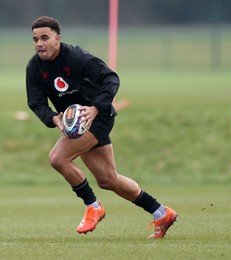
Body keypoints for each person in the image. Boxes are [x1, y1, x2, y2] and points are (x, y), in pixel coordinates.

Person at [26, 16, 178, 238]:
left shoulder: (77, 57)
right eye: (35, 39)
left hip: (99, 116)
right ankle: (161, 213)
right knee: (108, 179)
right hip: (76, 124)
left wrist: (96, 108)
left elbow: (111, 79)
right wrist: (54, 119)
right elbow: (36, 102)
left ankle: (93, 207)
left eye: (45, 38)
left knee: (58, 158)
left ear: (57, 39)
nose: (39, 43)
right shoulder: (34, 67)